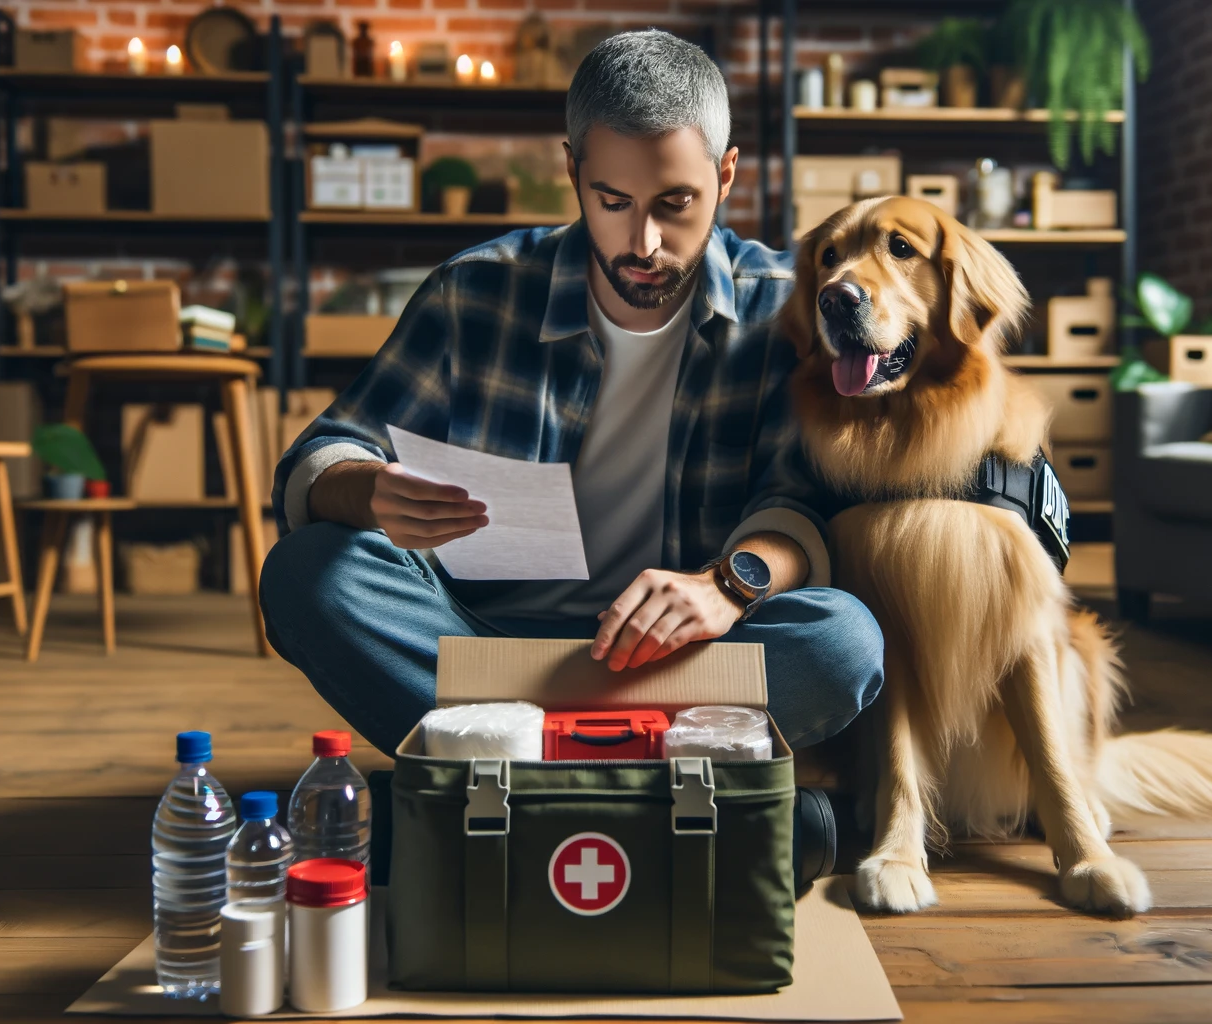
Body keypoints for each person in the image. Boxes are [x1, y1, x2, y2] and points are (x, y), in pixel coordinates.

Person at [261, 30, 883, 756]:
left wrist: (728, 586)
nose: (644, 241)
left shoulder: (784, 309)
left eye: (676, 202)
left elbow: (800, 501)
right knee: (308, 575)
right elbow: (322, 458)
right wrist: (367, 489)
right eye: (612, 200)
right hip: (486, 648)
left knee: (841, 640)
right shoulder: (477, 292)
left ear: (728, 174)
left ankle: (509, 765)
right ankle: (639, 776)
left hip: (682, 662)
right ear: (573, 169)